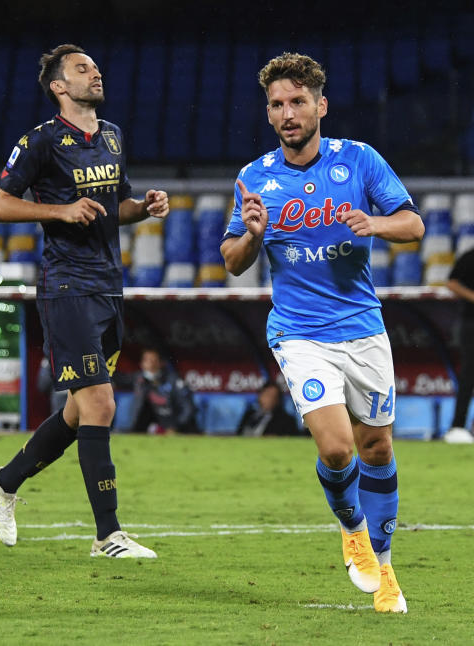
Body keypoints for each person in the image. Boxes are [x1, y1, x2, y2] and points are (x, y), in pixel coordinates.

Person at [220, 52, 424, 613]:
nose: (287, 113)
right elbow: (232, 261)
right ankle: (353, 529)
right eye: (277, 105)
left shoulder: (359, 160)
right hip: (299, 334)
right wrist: (255, 235)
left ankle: (385, 569)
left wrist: (375, 223)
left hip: (361, 329)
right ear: (268, 114)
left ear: (320, 106)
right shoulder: (254, 178)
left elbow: (414, 224)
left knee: (376, 446)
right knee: (337, 450)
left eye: (297, 102)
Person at [0, 44, 169, 558]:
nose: (95, 73)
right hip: (66, 287)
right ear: (59, 87)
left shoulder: (112, 136)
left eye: (96, 67)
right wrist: (59, 212)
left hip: (109, 286)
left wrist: (143, 208)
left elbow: (115, 208)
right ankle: (108, 535)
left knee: (76, 412)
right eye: (82, 69)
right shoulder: (40, 141)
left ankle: (5, 480)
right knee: (101, 403)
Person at [121, 347, 198, 434]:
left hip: (176, 429)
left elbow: (188, 408)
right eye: (146, 360)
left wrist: (175, 426)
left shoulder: (173, 380)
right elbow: (117, 379)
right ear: (141, 363)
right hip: (144, 429)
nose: (150, 364)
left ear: (161, 363)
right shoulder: (138, 379)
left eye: (153, 360)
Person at [443, 248, 474, 443]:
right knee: (468, 377)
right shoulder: (470, 257)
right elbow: (451, 283)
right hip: (472, 323)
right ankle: (458, 427)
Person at [236, 380, 301, 437]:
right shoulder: (249, 414)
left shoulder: (287, 420)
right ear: (260, 396)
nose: (270, 399)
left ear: (278, 400)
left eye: (274, 396)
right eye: (267, 395)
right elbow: (238, 435)